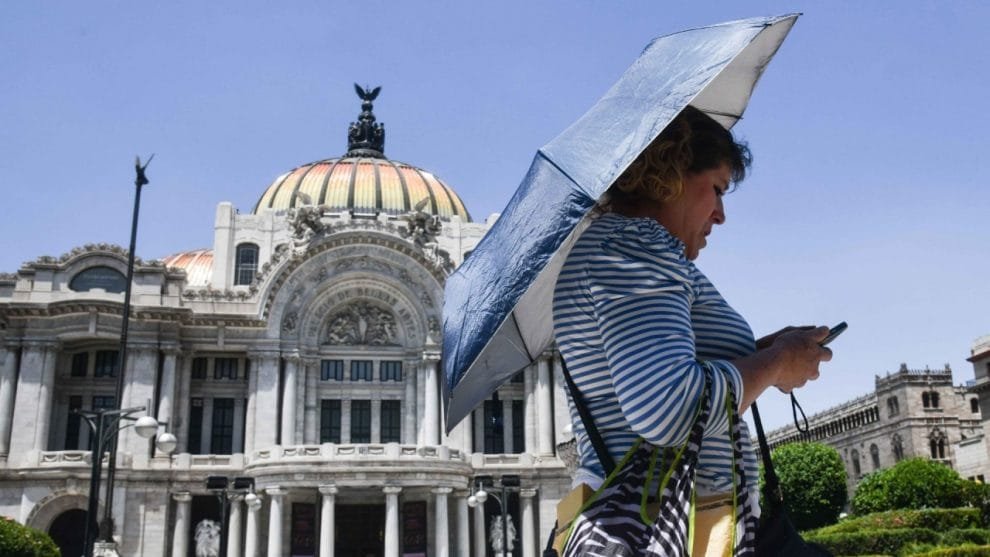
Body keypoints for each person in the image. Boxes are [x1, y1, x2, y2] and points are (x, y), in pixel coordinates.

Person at [552, 105, 831, 550]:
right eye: (717, 189)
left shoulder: (621, 247)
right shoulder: (634, 245)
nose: (721, 214)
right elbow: (670, 409)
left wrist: (765, 355)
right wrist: (778, 363)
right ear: (670, 174)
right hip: (674, 528)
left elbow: (666, 376)